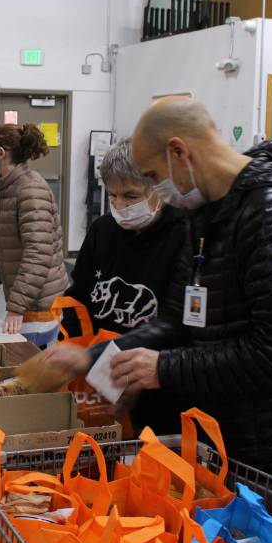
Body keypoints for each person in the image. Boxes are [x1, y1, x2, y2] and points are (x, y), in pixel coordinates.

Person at [47, 97, 272, 514]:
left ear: (180, 152)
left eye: (155, 176)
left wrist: (163, 369)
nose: (158, 190)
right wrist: (94, 359)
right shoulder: (212, 217)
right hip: (237, 444)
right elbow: (179, 318)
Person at [59, 139, 188, 435]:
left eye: (131, 196)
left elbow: (178, 326)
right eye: (112, 195)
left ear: (159, 189)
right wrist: (74, 350)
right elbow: (78, 298)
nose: (119, 206)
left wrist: (142, 376)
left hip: (156, 389)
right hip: (99, 379)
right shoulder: (103, 231)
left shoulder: (183, 236)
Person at [0, 123, 68, 346]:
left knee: (27, 372)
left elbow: (38, 256)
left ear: (0, 153)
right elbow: (8, 251)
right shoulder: (11, 188)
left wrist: (17, 308)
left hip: (37, 308)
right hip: (28, 302)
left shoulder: (29, 190)